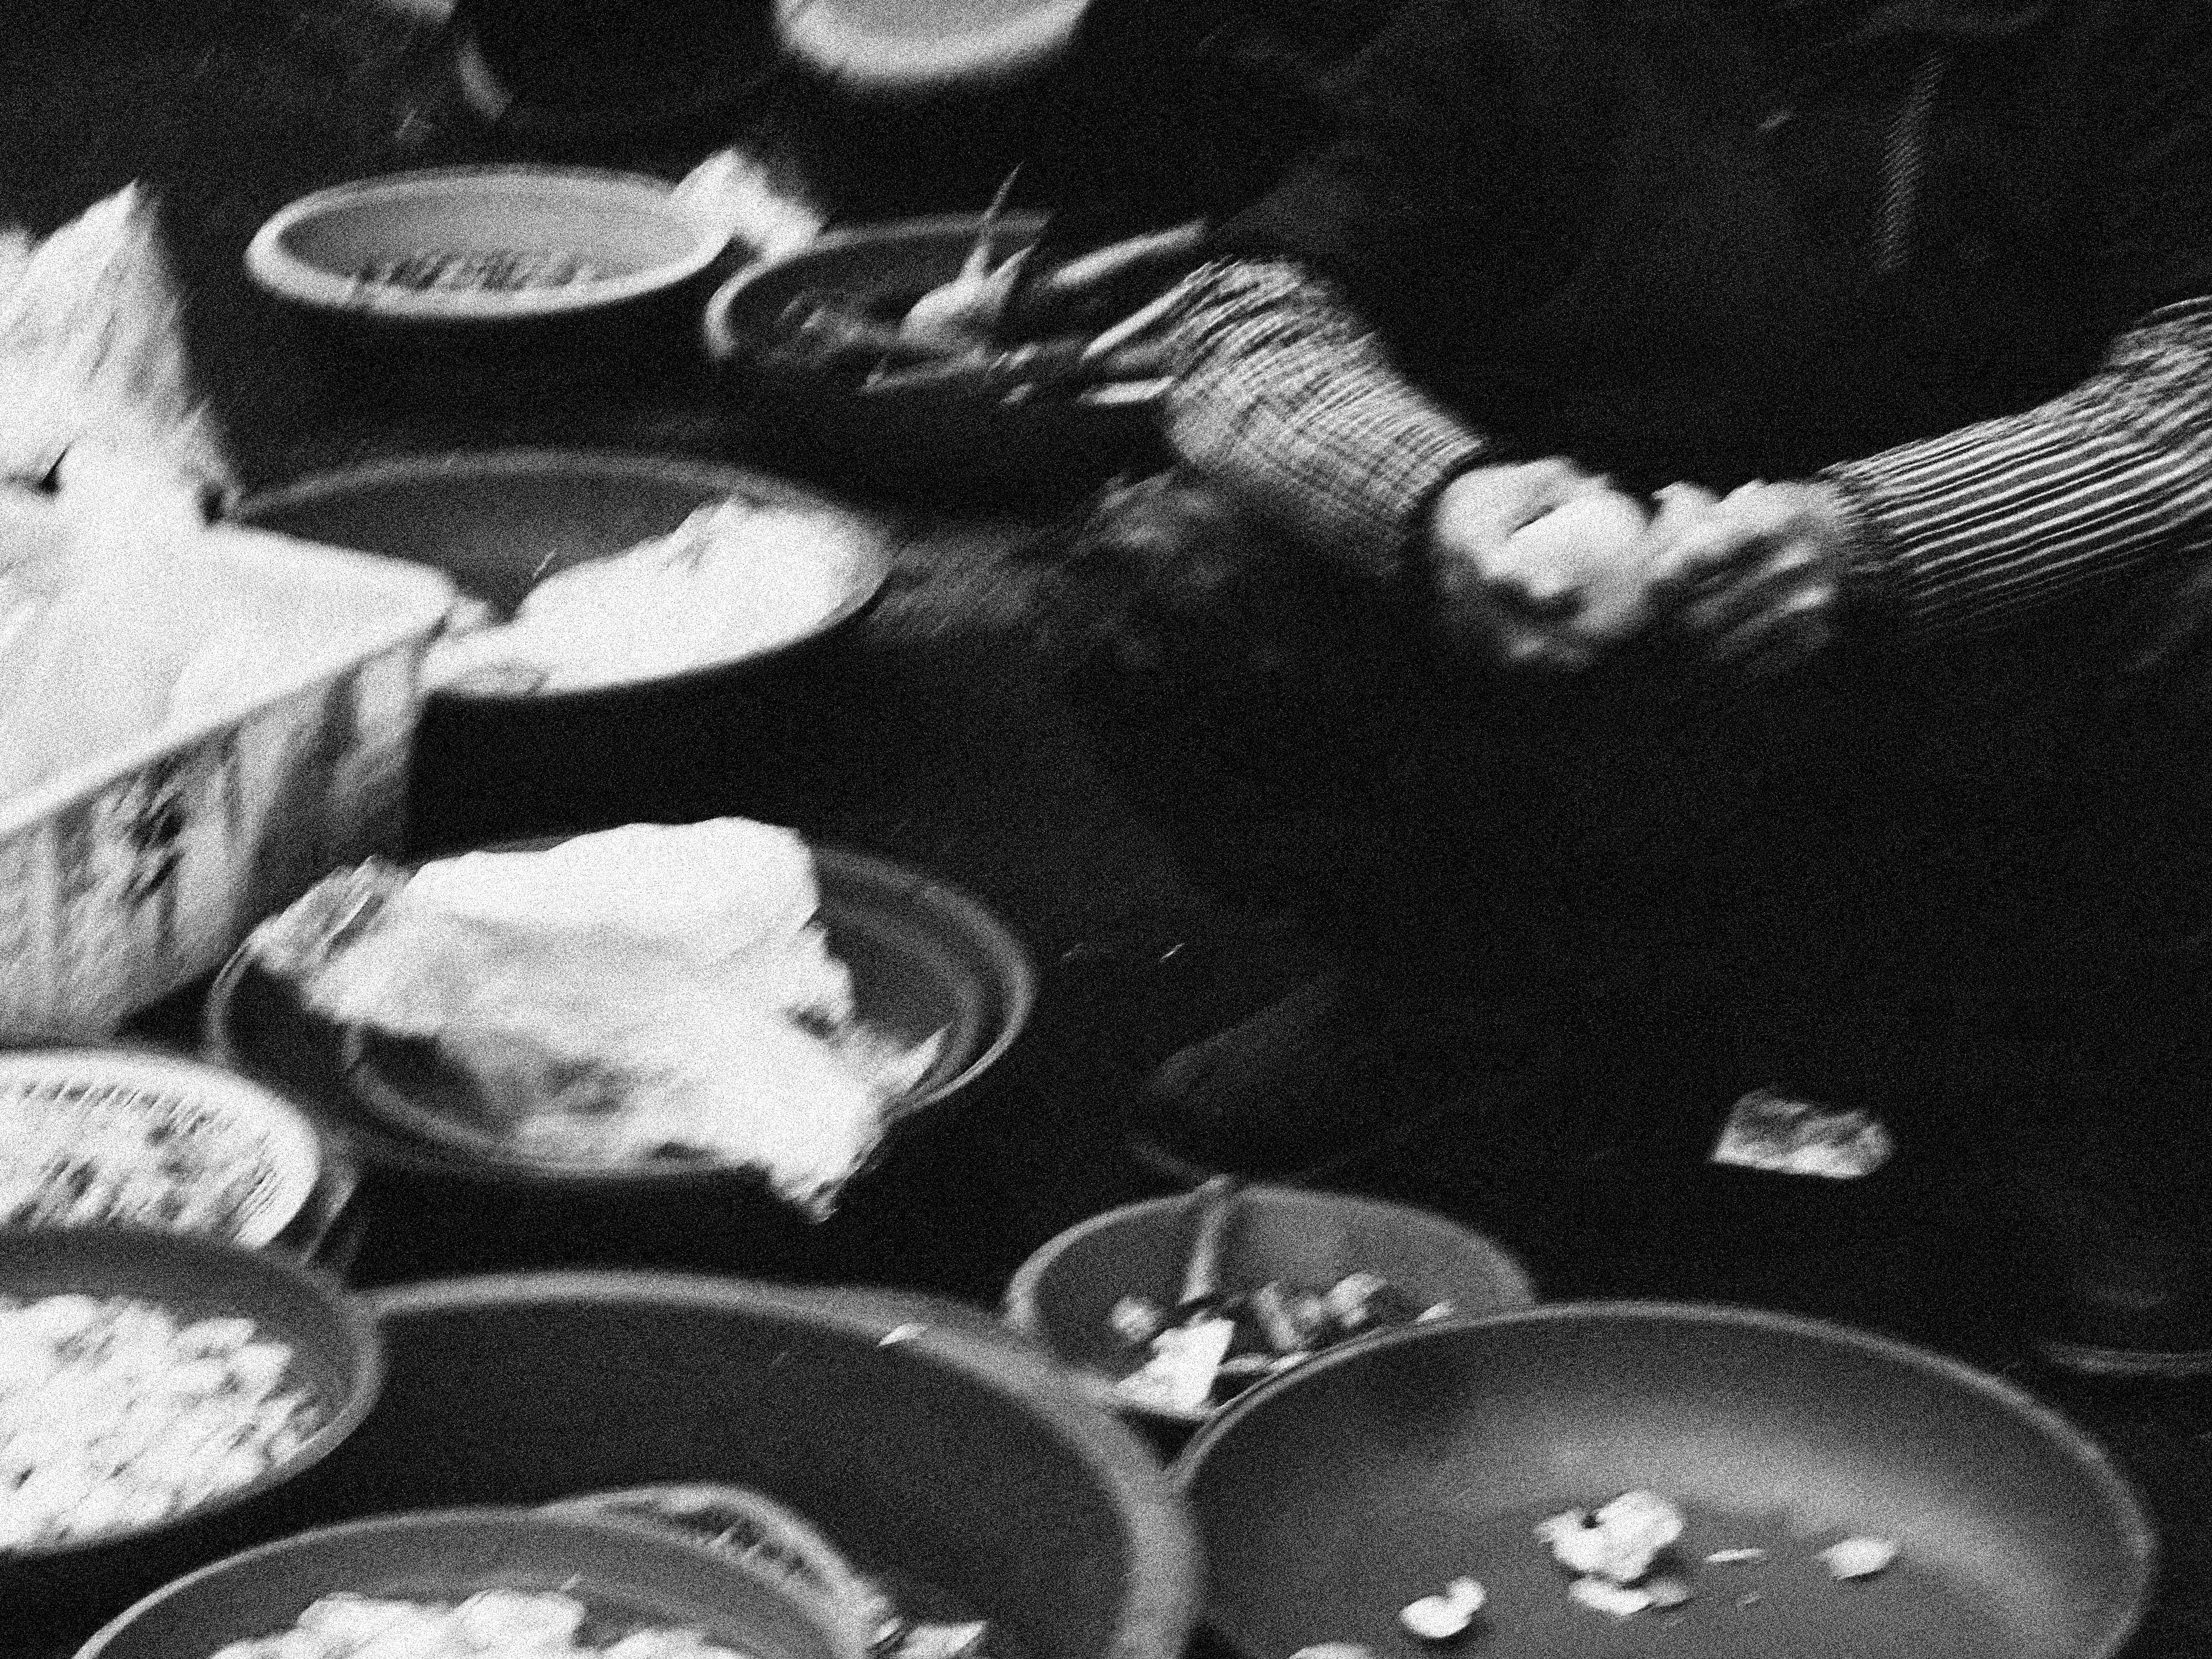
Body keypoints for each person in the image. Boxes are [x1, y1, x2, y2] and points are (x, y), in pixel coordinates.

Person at [1025, 0, 2212, 1372]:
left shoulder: (2139, 38)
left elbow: (2194, 381)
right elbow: (1252, 315)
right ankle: (1442, 990)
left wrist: (1883, 538)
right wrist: (1437, 503)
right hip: (1564, 670)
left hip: (1993, 692)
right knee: (1165, 573)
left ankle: (2077, 1093)